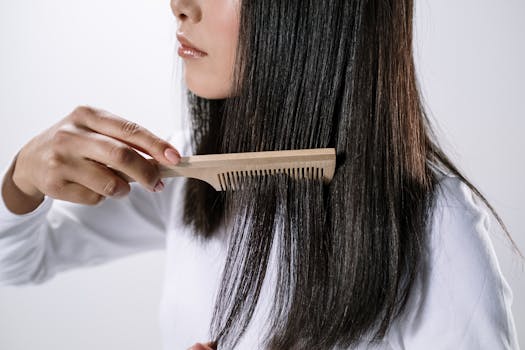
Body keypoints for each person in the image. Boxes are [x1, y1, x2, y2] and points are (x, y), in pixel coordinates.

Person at [0, 0, 521, 349]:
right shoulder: (184, 179)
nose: (180, 4)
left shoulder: (434, 222)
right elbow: (20, 263)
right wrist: (21, 180)